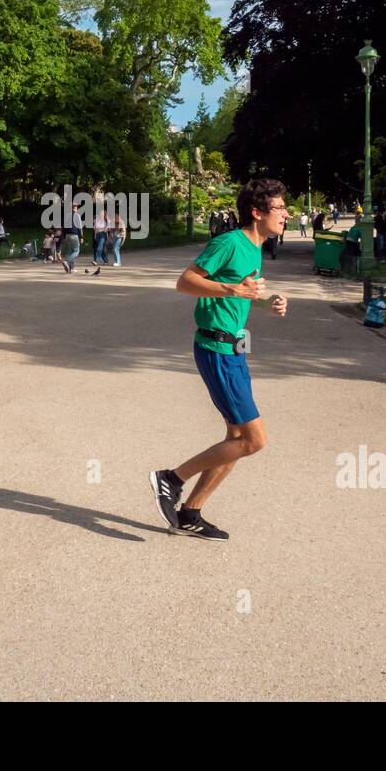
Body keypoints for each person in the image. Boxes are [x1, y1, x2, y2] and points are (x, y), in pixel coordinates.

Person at [150, 179, 289, 541]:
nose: (287, 214)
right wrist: (231, 288)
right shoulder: (228, 242)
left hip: (235, 349)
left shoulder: (255, 249)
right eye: (280, 208)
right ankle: (171, 478)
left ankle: (191, 513)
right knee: (255, 440)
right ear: (257, 213)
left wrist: (269, 299)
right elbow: (185, 282)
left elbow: (242, 292)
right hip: (216, 350)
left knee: (237, 437)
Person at [59, 202, 82, 273]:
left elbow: (63, 227)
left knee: (70, 252)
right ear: (75, 208)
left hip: (67, 235)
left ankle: (71, 268)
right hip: (74, 235)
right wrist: (81, 237)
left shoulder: (66, 216)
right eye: (77, 207)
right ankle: (66, 261)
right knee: (76, 251)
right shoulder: (77, 215)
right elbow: (79, 227)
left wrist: (64, 236)